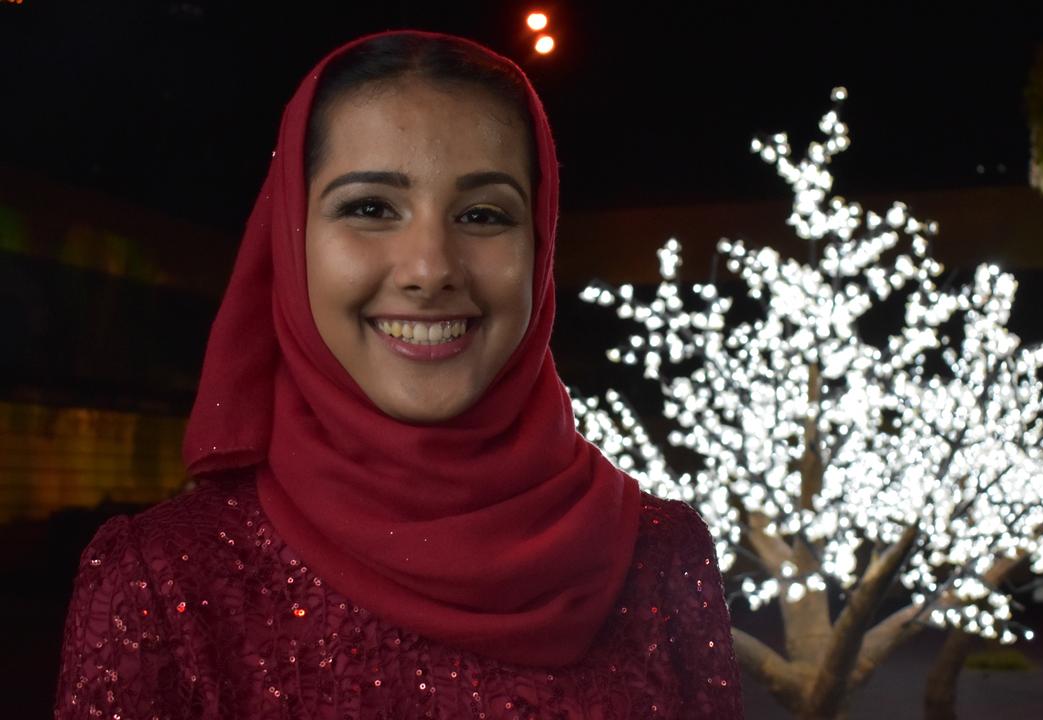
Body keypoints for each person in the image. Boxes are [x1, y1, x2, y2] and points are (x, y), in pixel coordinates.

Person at [53, 30, 742, 719]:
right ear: (290, 241)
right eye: (371, 208)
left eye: (483, 214)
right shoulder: (163, 583)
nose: (430, 268)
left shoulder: (662, 559)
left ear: (540, 242)